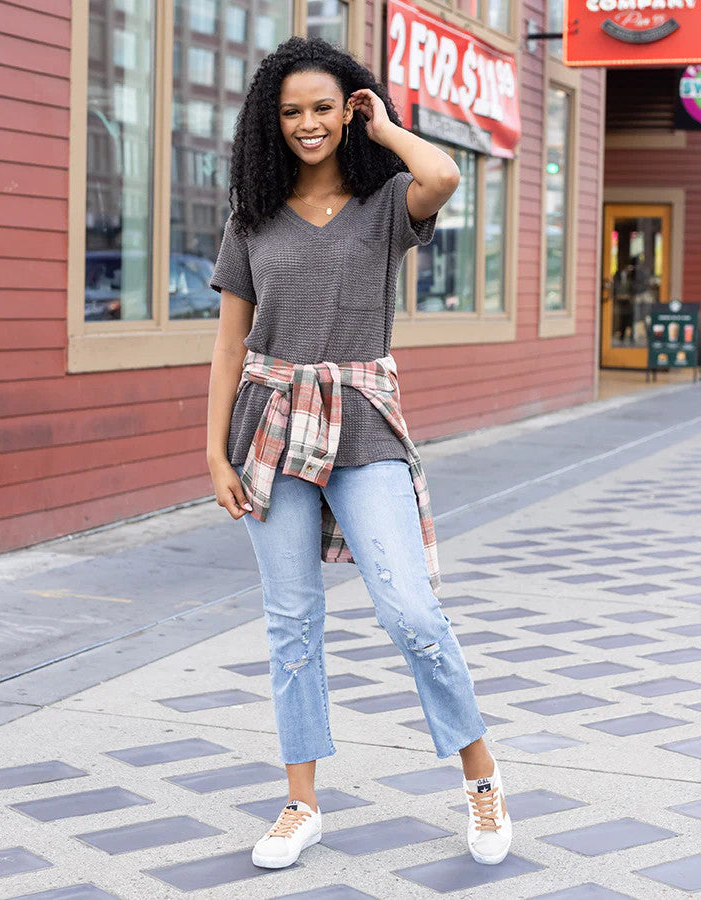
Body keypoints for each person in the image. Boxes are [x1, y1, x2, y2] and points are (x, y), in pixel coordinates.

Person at [205, 35, 512, 871]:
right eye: (291, 111)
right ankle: (300, 802)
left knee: (410, 609)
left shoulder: (383, 209)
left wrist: (385, 128)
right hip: (267, 425)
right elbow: (229, 348)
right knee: (292, 623)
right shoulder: (252, 217)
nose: (308, 123)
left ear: (350, 110)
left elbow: (444, 178)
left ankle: (481, 777)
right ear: (273, 122)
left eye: (324, 107)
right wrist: (213, 453)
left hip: (363, 423)